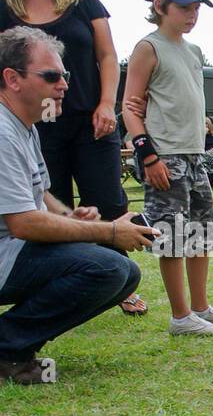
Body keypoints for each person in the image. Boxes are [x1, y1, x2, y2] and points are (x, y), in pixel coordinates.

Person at [0, 26, 157, 383]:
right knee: (108, 269)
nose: (64, 84)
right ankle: (7, 347)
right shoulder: (3, 132)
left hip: (10, 250)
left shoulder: (25, 125)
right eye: (52, 76)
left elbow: (39, 195)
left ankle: (12, 345)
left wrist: (71, 218)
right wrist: (109, 231)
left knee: (123, 272)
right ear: (13, 79)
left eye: (65, 75)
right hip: (7, 250)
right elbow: (24, 223)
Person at [0, 0, 145, 316]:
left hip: (89, 117)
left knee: (107, 200)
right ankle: (58, 286)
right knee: (46, 201)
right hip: (36, 122)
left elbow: (108, 55)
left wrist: (105, 104)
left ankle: (115, 281)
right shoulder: (3, 5)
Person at [122, 0, 213, 336]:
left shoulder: (193, 51)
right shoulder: (148, 47)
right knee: (172, 236)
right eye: (185, 7)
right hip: (166, 155)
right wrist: (148, 155)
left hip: (194, 155)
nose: (192, 14)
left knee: (201, 233)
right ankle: (180, 316)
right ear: (160, 6)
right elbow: (130, 106)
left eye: (197, 7)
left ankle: (201, 306)